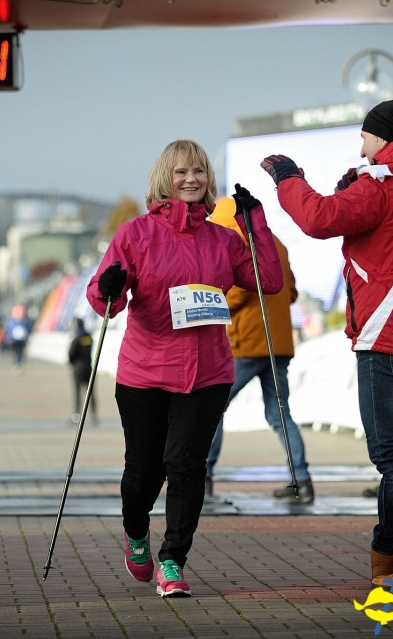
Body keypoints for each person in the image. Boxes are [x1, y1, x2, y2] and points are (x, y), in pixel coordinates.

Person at [261, 98, 393, 592]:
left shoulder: (386, 182)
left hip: (388, 333)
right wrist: (357, 183)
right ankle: (387, 554)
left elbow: (318, 218)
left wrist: (288, 177)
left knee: (390, 453)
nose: (362, 148)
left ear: (384, 137)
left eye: (366, 138)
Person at [86, 139, 282, 598]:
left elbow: (269, 281)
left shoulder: (224, 239)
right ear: (164, 178)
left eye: (198, 171)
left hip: (207, 373)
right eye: (181, 172)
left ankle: (172, 561)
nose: (191, 179)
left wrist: (254, 222)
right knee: (143, 474)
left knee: (188, 466)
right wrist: (108, 287)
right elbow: (105, 300)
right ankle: (136, 534)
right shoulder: (135, 234)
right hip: (145, 373)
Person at [203, 198, 313, 503]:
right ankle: (301, 480)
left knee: (213, 406)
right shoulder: (276, 244)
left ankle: (204, 476)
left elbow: (237, 293)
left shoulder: (235, 243)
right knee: (280, 414)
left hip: (247, 344)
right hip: (278, 344)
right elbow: (290, 292)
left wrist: (207, 302)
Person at [67, 317, 95, 422]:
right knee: (91, 391)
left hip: (78, 367)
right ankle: (94, 413)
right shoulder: (89, 337)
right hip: (88, 366)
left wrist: (73, 363)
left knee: (77, 391)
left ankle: (76, 414)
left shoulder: (76, 338)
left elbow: (71, 353)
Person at [6, 305, 31, 372]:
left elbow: (28, 330)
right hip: (14, 340)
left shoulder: (25, 322)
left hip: (22, 340)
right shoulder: (12, 322)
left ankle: (19, 363)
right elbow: (8, 330)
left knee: (20, 352)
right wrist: (8, 337)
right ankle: (16, 363)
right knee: (16, 352)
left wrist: (27, 337)